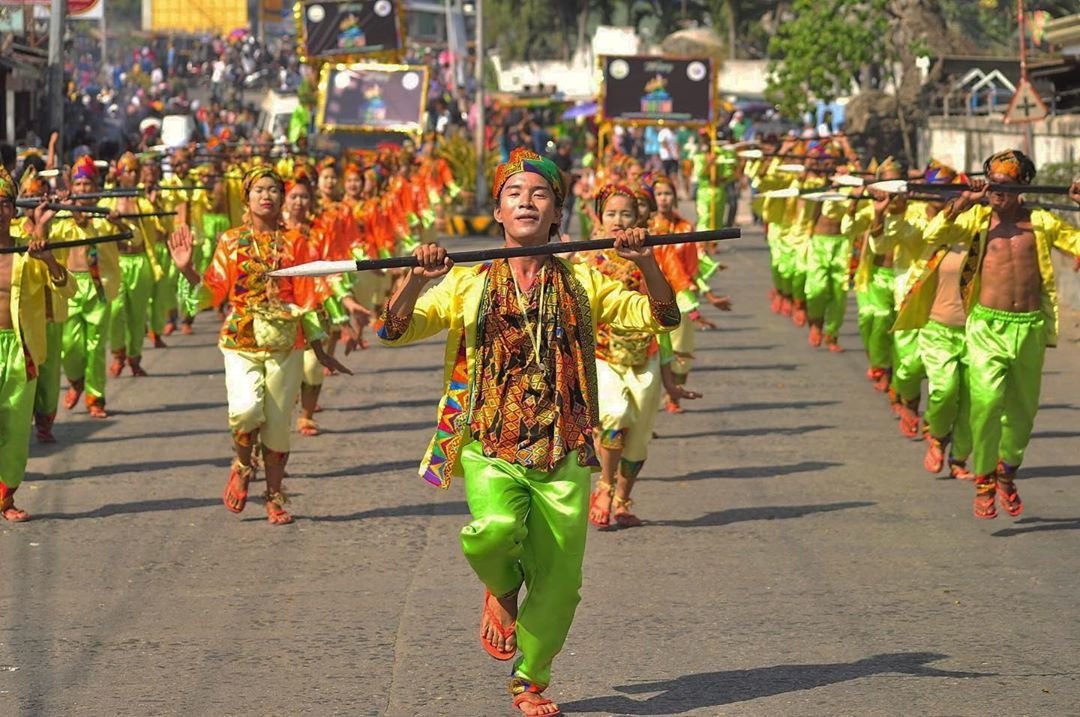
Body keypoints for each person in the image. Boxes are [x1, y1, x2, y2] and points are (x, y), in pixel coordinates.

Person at [378, 148, 679, 716]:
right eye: (514, 193)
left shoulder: (585, 279)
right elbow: (394, 331)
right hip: (488, 443)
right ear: (497, 211)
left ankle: (530, 680)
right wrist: (416, 280)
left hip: (563, 450)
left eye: (538, 194)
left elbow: (663, 318)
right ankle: (499, 588)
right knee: (491, 531)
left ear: (556, 212)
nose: (526, 201)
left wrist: (649, 264)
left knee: (562, 584)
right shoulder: (467, 282)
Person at [169, 167, 350, 525]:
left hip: (287, 343)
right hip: (241, 339)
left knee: (279, 426)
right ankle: (241, 463)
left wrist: (320, 347)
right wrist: (188, 270)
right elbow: (212, 290)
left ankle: (274, 497)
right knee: (246, 411)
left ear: (281, 199)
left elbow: (308, 296)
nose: (266, 196)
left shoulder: (297, 242)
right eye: (259, 190)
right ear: (246, 198)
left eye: (273, 190)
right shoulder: (231, 241)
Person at [921, 150, 1080, 518]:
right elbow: (933, 233)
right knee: (987, 403)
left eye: (1004, 185)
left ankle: (1008, 472)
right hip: (985, 327)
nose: (995, 191)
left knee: (1022, 413)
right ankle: (984, 480)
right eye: (991, 182)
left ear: (1023, 187)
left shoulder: (1042, 222)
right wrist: (963, 201)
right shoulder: (976, 219)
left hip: (1029, 329)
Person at [0, 168, 72, 521]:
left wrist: (49, 259)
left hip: (18, 348)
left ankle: (5, 497)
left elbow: (65, 287)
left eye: (3, 204)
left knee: (14, 426)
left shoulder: (27, 252)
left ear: (13, 210)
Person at [58, 156, 126, 418]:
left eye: (88, 184)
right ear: (72, 187)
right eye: (80, 184)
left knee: (95, 346)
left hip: (99, 288)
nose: (84, 188)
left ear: (96, 188)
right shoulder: (62, 214)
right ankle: (75, 380)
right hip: (70, 287)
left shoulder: (105, 216)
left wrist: (119, 222)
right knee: (69, 345)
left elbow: (133, 236)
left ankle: (95, 397)